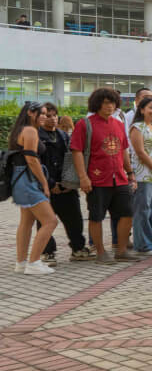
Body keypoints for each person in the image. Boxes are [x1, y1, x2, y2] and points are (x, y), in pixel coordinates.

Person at [70, 89, 140, 264]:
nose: (110, 106)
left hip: (119, 177)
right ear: (97, 104)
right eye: (106, 102)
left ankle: (121, 250)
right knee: (96, 216)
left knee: (127, 214)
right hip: (97, 178)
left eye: (113, 102)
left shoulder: (118, 123)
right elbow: (77, 151)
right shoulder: (85, 124)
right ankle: (101, 252)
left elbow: (124, 150)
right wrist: (83, 177)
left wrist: (130, 173)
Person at [35, 103, 89, 263]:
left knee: (75, 220)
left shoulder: (64, 136)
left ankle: (78, 249)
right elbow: (37, 164)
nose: (52, 119)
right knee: (44, 221)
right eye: (47, 115)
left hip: (67, 187)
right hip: (45, 188)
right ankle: (47, 252)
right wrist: (51, 184)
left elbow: (72, 160)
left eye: (54, 115)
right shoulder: (36, 136)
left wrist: (68, 183)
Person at [9, 102, 59, 274]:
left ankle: (22, 263)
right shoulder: (30, 131)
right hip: (29, 180)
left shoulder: (19, 130)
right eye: (42, 113)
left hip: (19, 179)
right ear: (31, 113)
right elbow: (31, 159)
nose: (45, 117)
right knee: (50, 221)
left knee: (26, 222)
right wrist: (44, 184)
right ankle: (34, 262)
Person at [128, 96, 152, 254]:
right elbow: (140, 152)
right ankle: (143, 245)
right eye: (151, 107)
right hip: (144, 174)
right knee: (142, 209)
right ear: (141, 109)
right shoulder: (137, 127)